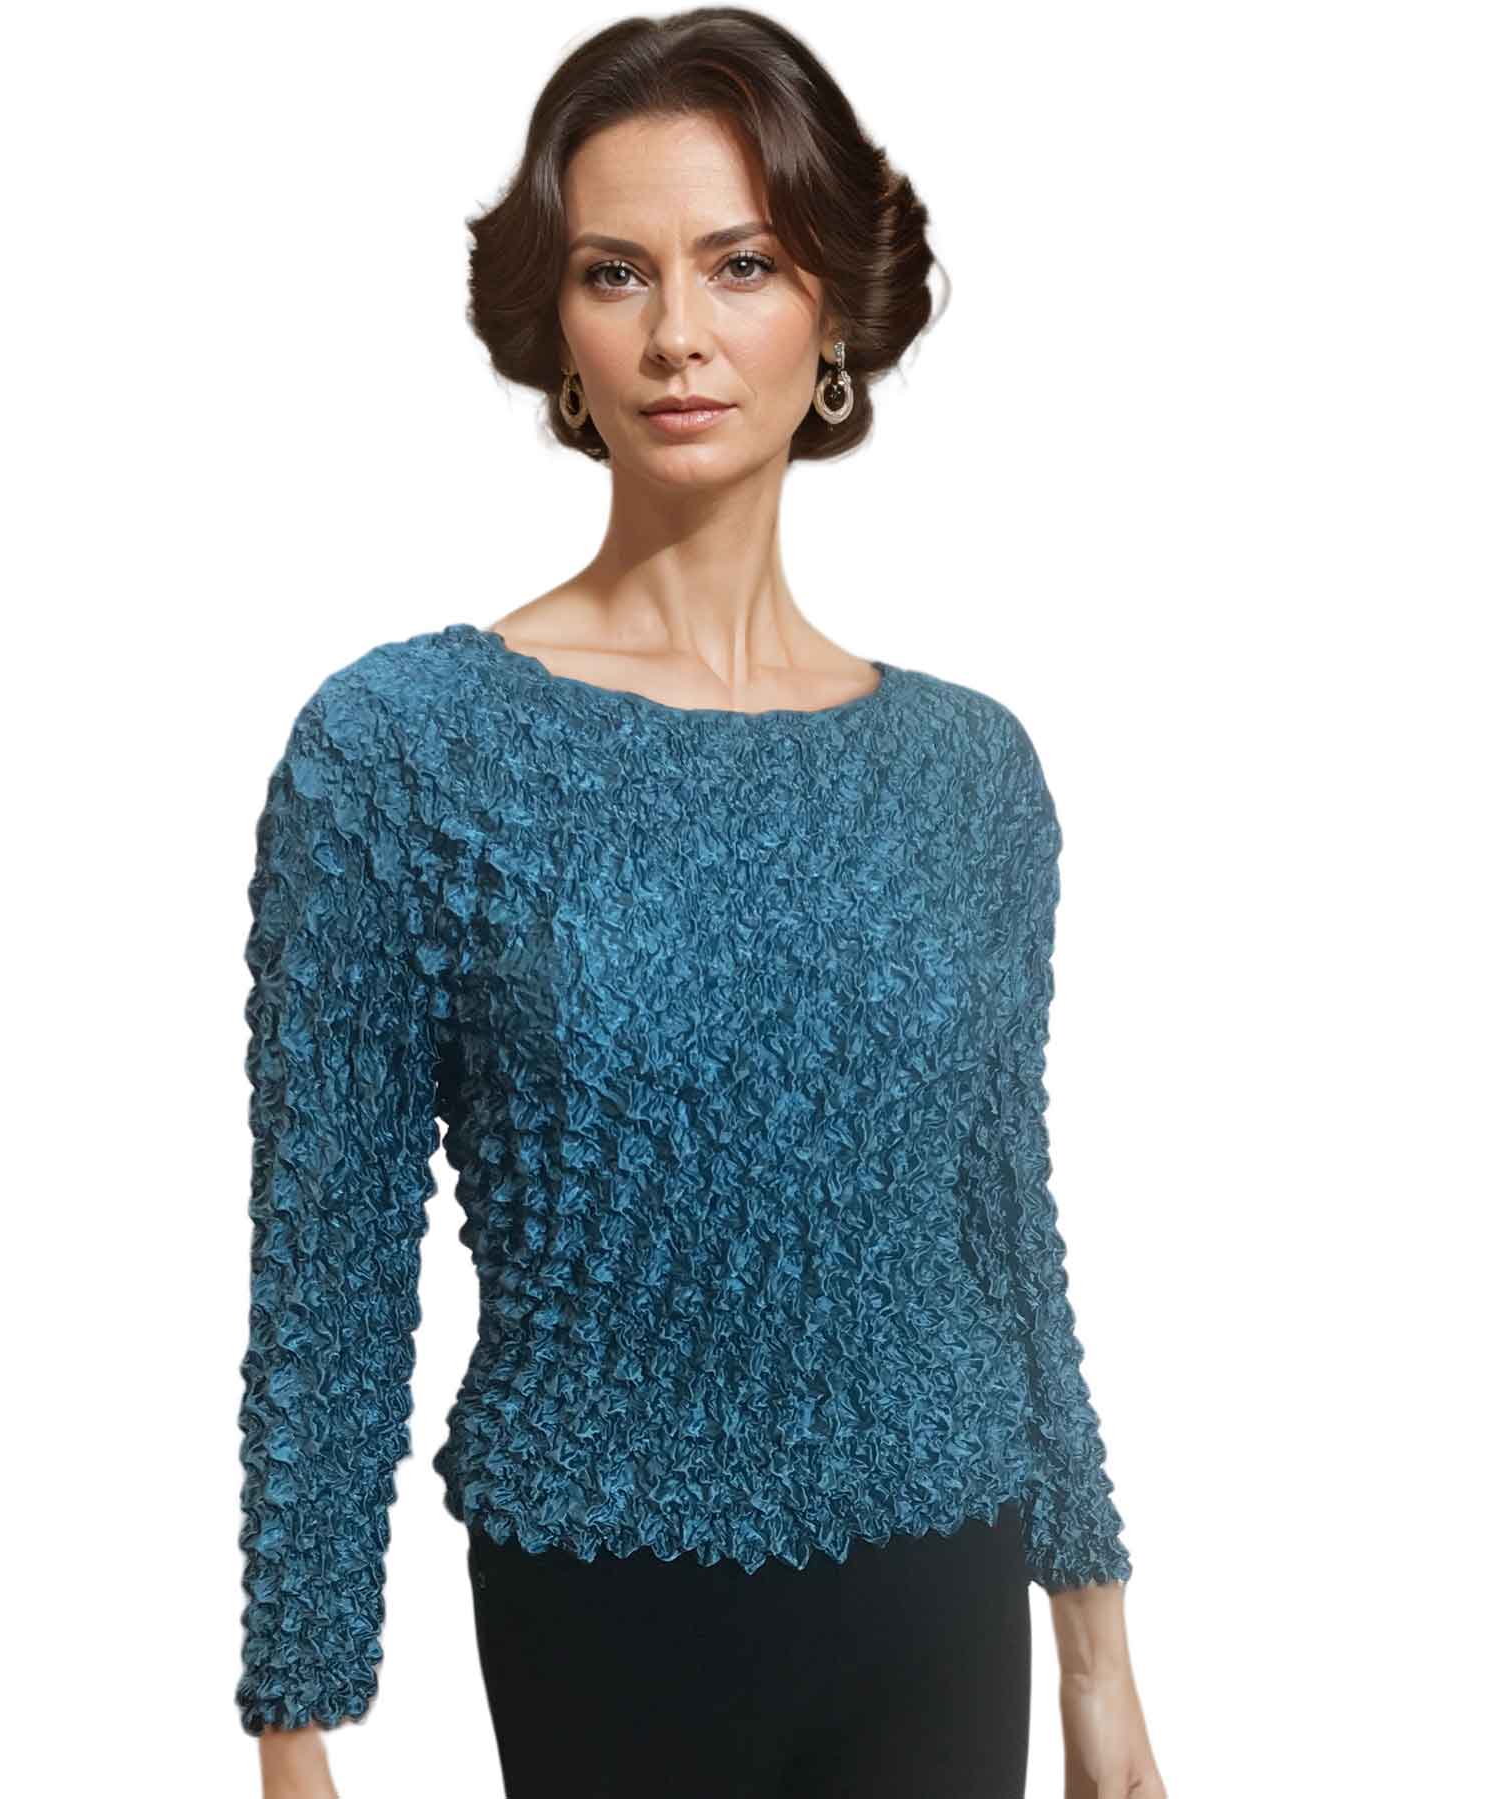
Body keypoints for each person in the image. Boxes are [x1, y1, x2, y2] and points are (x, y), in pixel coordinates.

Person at [235, 11, 1165, 1797]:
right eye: (617, 272)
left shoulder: (971, 774)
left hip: (941, 1589)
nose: (677, 332)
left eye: (741, 265)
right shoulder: (406, 752)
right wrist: (299, 1731)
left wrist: (1099, 1651)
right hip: (604, 1611)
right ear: (559, 335)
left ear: (832, 313)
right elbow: (328, 1274)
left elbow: (999, 1224)